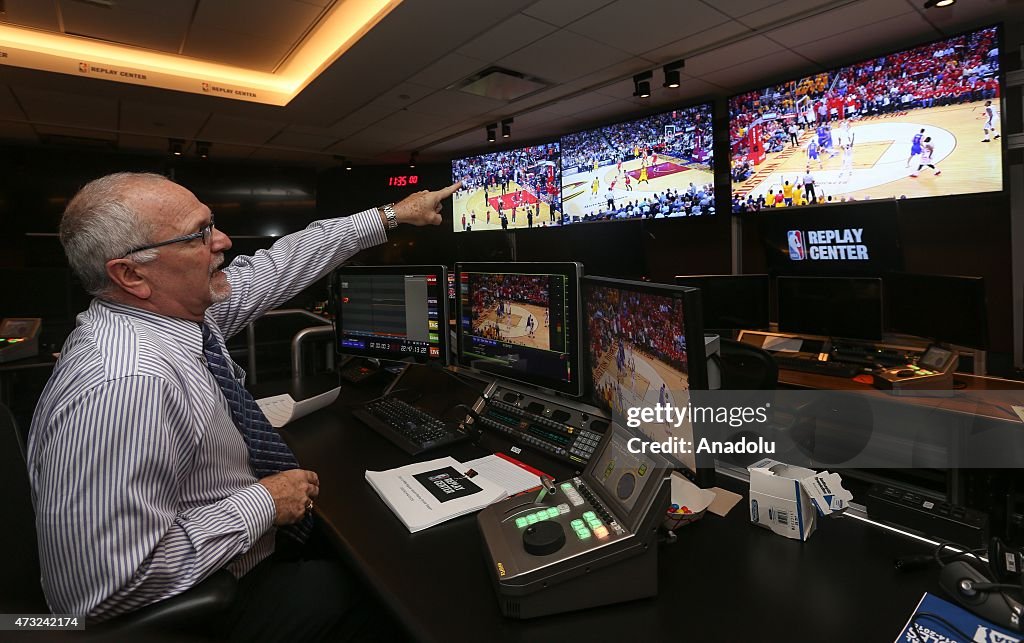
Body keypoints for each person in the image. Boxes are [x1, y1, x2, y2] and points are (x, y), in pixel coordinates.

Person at [28, 171, 455, 636]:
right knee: (389, 596)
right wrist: (264, 503)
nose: (223, 241)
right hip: (206, 605)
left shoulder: (171, 315)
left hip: (229, 558)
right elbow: (104, 586)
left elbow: (278, 266)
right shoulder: (128, 383)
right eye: (199, 235)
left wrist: (393, 216)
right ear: (131, 274)